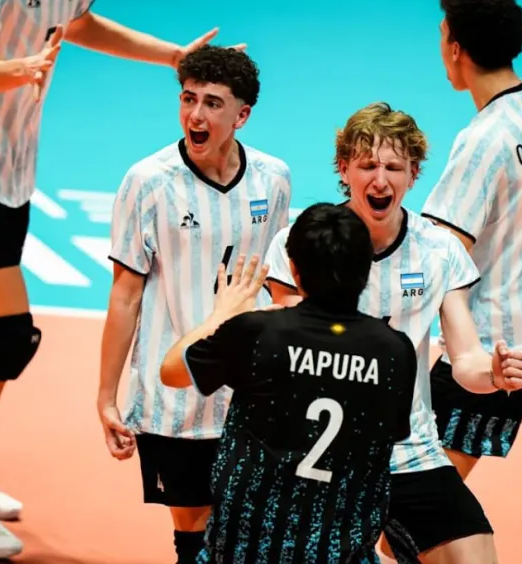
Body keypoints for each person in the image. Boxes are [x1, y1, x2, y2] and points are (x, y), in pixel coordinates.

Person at [0, 0, 245, 559]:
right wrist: (24, 68)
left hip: (8, 168)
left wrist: (173, 57)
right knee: (9, 335)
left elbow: (79, 23)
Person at [264, 103, 522, 564]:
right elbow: (290, 350)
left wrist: (493, 372)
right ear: (344, 168)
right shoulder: (305, 243)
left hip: (408, 451)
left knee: (476, 558)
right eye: (367, 166)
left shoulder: (438, 251)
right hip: (319, 454)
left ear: (414, 173)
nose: (380, 180)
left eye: (393, 167)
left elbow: (464, 361)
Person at [97, 45, 292, 564]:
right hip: (174, 398)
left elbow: (278, 285)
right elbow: (125, 294)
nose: (196, 115)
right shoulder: (148, 182)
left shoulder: (273, 179)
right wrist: (106, 396)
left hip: (250, 396)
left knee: (248, 531)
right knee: (194, 534)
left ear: (242, 115)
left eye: (212, 103)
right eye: (188, 99)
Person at [158, 204, 418, 563]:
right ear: (367, 266)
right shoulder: (395, 351)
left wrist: (222, 315)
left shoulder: (259, 332)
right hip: (339, 552)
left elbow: (171, 371)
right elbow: (389, 437)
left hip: (245, 551)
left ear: (294, 269)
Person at [423, 0, 522, 481]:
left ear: (456, 49)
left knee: (413, 516)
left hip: (491, 350)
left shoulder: (483, 142)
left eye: (443, 35)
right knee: (420, 511)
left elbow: (439, 255)